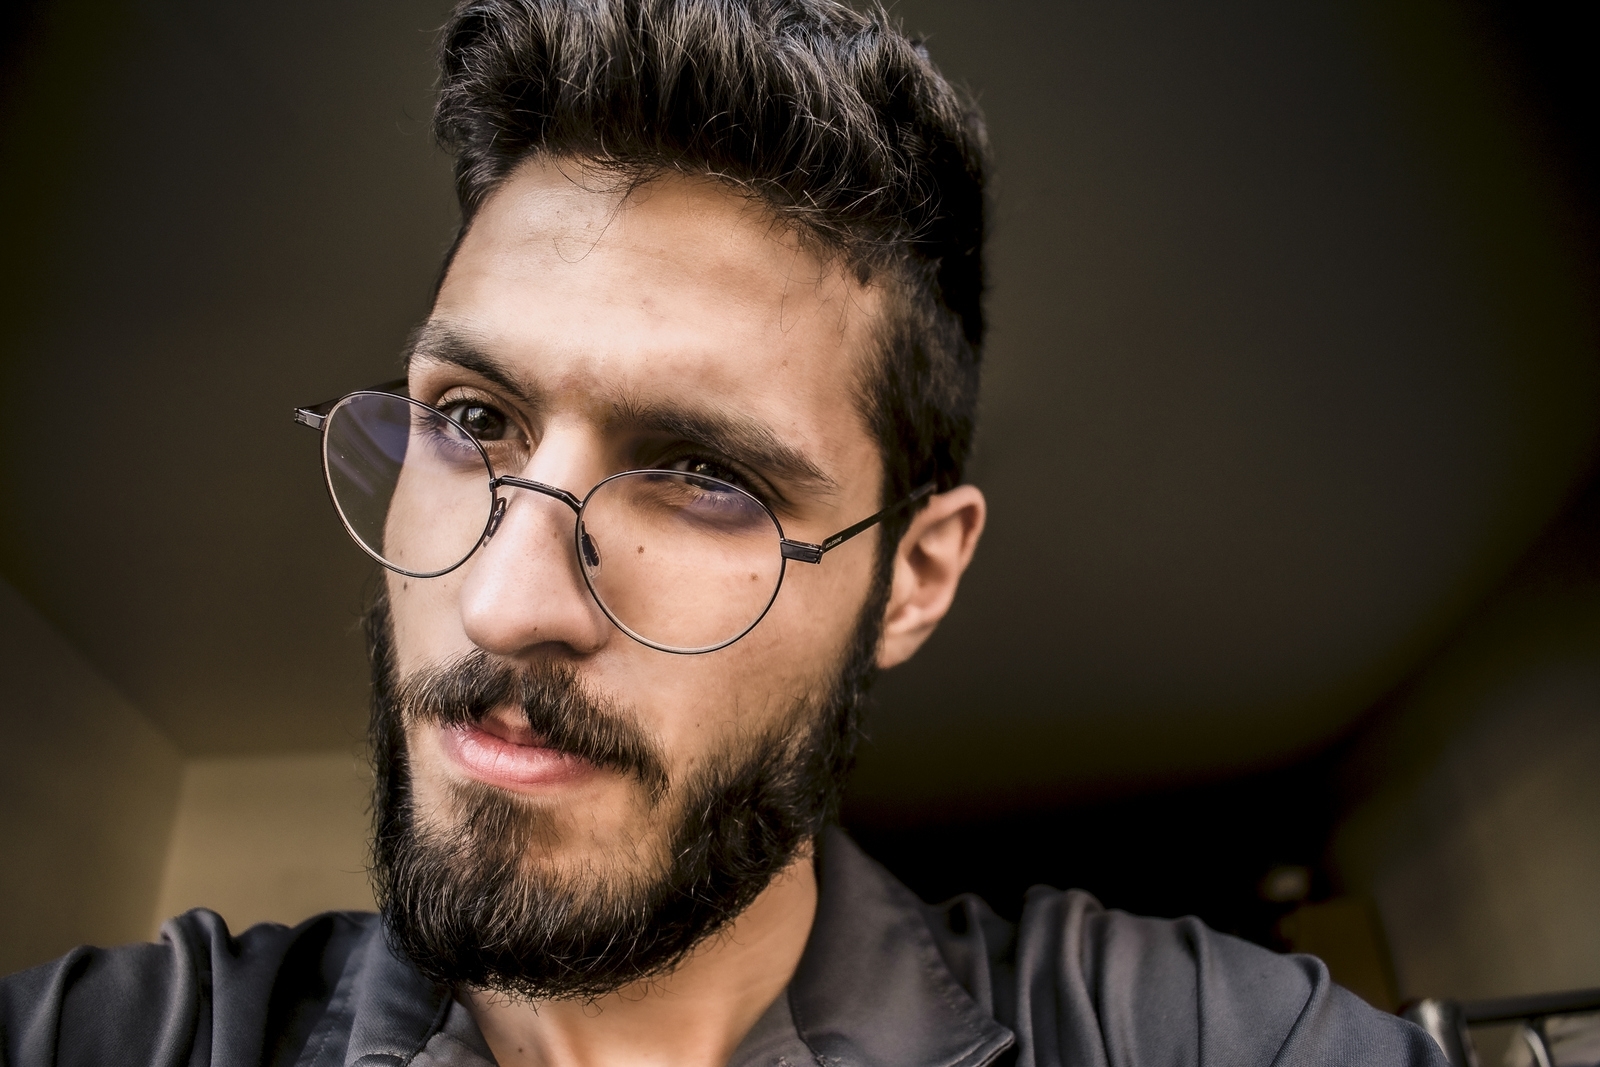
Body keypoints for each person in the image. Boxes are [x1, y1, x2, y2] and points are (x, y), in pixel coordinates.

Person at [1, 1, 1446, 1064]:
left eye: (704, 475)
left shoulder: (1180, 1037)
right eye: (473, 419)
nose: (503, 601)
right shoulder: (126, 1037)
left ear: (913, 575)